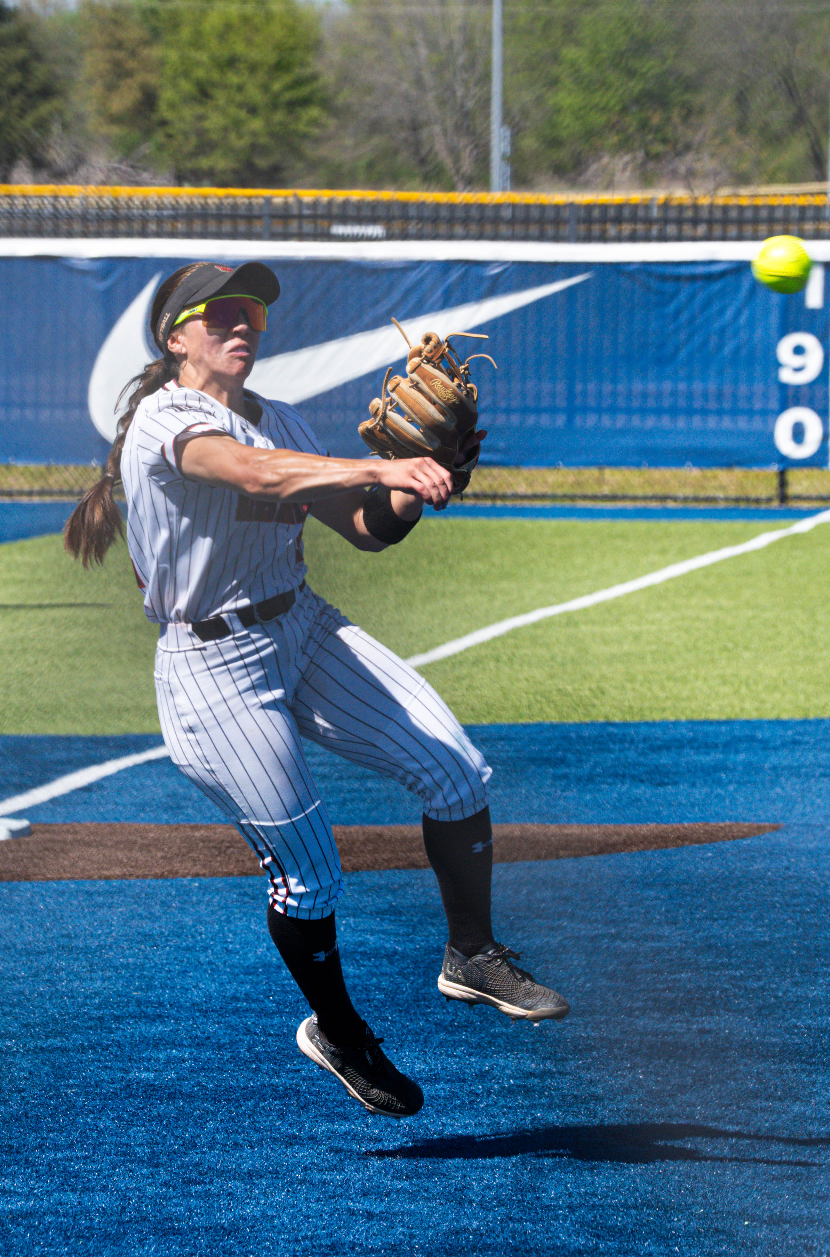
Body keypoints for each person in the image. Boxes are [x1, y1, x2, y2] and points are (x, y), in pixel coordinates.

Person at [63, 261, 568, 1118]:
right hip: (212, 666)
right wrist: (379, 468)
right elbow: (257, 476)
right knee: (311, 877)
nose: (242, 323)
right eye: (219, 312)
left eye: (252, 311)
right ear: (174, 336)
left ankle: (471, 954)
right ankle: (338, 1028)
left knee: (456, 768)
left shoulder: (282, 419)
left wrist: (415, 477)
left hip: (303, 625)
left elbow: (369, 532)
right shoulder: (167, 418)